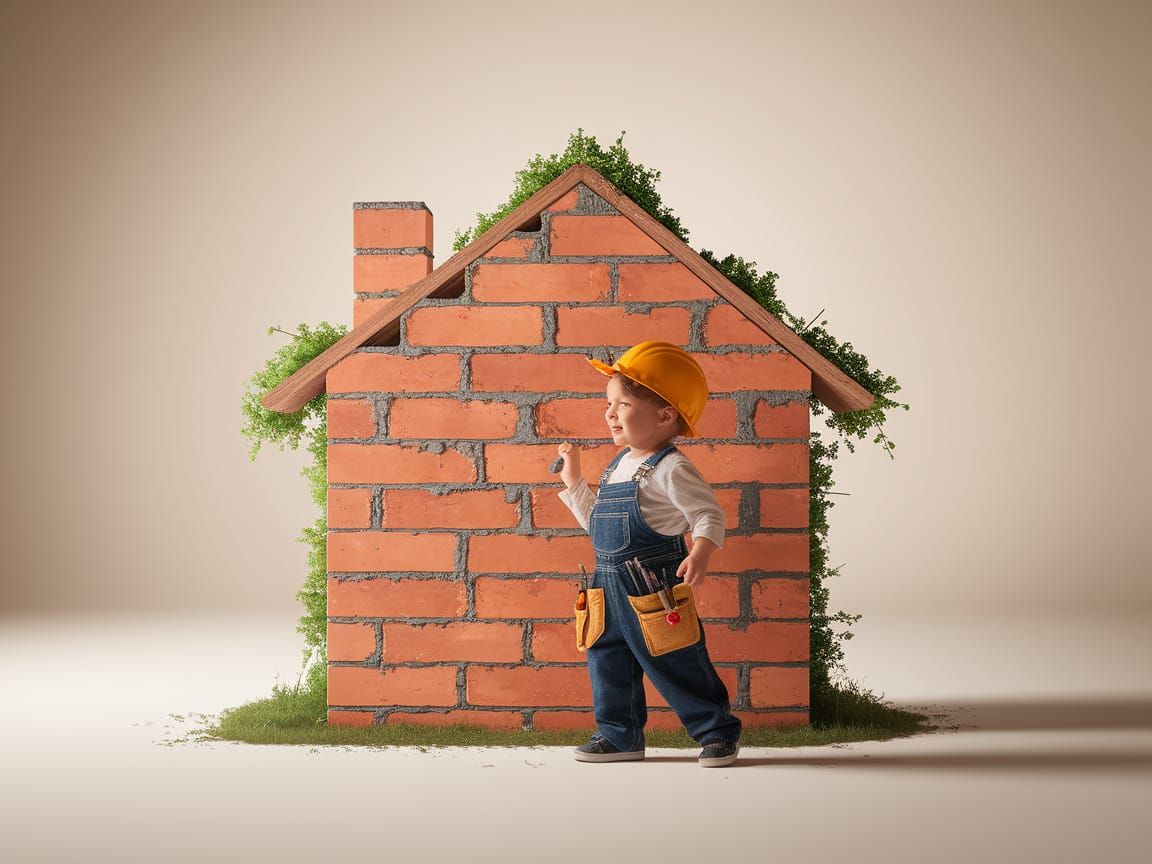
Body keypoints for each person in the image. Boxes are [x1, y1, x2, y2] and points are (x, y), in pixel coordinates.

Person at [554, 340, 742, 767]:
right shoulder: (617, 463)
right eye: (608, 404)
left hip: (651, 586)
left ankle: (717, 732)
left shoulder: (671, 468)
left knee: (676, 659)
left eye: (622, 404)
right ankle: (619, 736)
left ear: (664, 415)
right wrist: (575, 481)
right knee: (608, 662)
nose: (609, 413)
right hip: (605, 586)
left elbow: (707, 514)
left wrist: (701, 551)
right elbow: (598, 527)